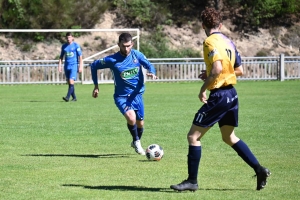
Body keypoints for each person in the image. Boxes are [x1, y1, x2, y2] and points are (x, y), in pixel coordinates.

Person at [170, 8, 270, 192]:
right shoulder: (228, 41)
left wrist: (203, 88)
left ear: (203, 25)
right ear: (220, 25)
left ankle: (192, 181)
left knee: (193, 137)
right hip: (232, 94)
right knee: (228, 137)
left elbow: (217, 69)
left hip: (219, 96)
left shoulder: (209, 41)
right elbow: (239, 70)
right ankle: (259, 169)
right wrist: (211, 74)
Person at [90, 32, 157, 155]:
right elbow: (93, 65)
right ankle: (137, 142)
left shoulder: (137, 55)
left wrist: (152, 72)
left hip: (137, 95)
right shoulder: (112, 59)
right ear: (118, 45)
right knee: (131, 118)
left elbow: (149, 65)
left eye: (128, 46)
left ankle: (135, 140)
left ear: (132, 44)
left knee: (140, 123)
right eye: (123, 46)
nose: (126, 49)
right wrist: (96, 86)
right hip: (121, 97)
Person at [58, 32, 83, 102]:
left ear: (72, 38)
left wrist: (80, 66)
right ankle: (74, 98)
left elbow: (80, 57)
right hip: (66, 66)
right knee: (69, 82)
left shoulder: (76, 46)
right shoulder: (64, 46)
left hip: (74, 66)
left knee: (71, 81)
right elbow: (61, 57)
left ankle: (67, 97)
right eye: (67, 37)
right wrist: (59, 66)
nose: (68, 39)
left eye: (69, 37)